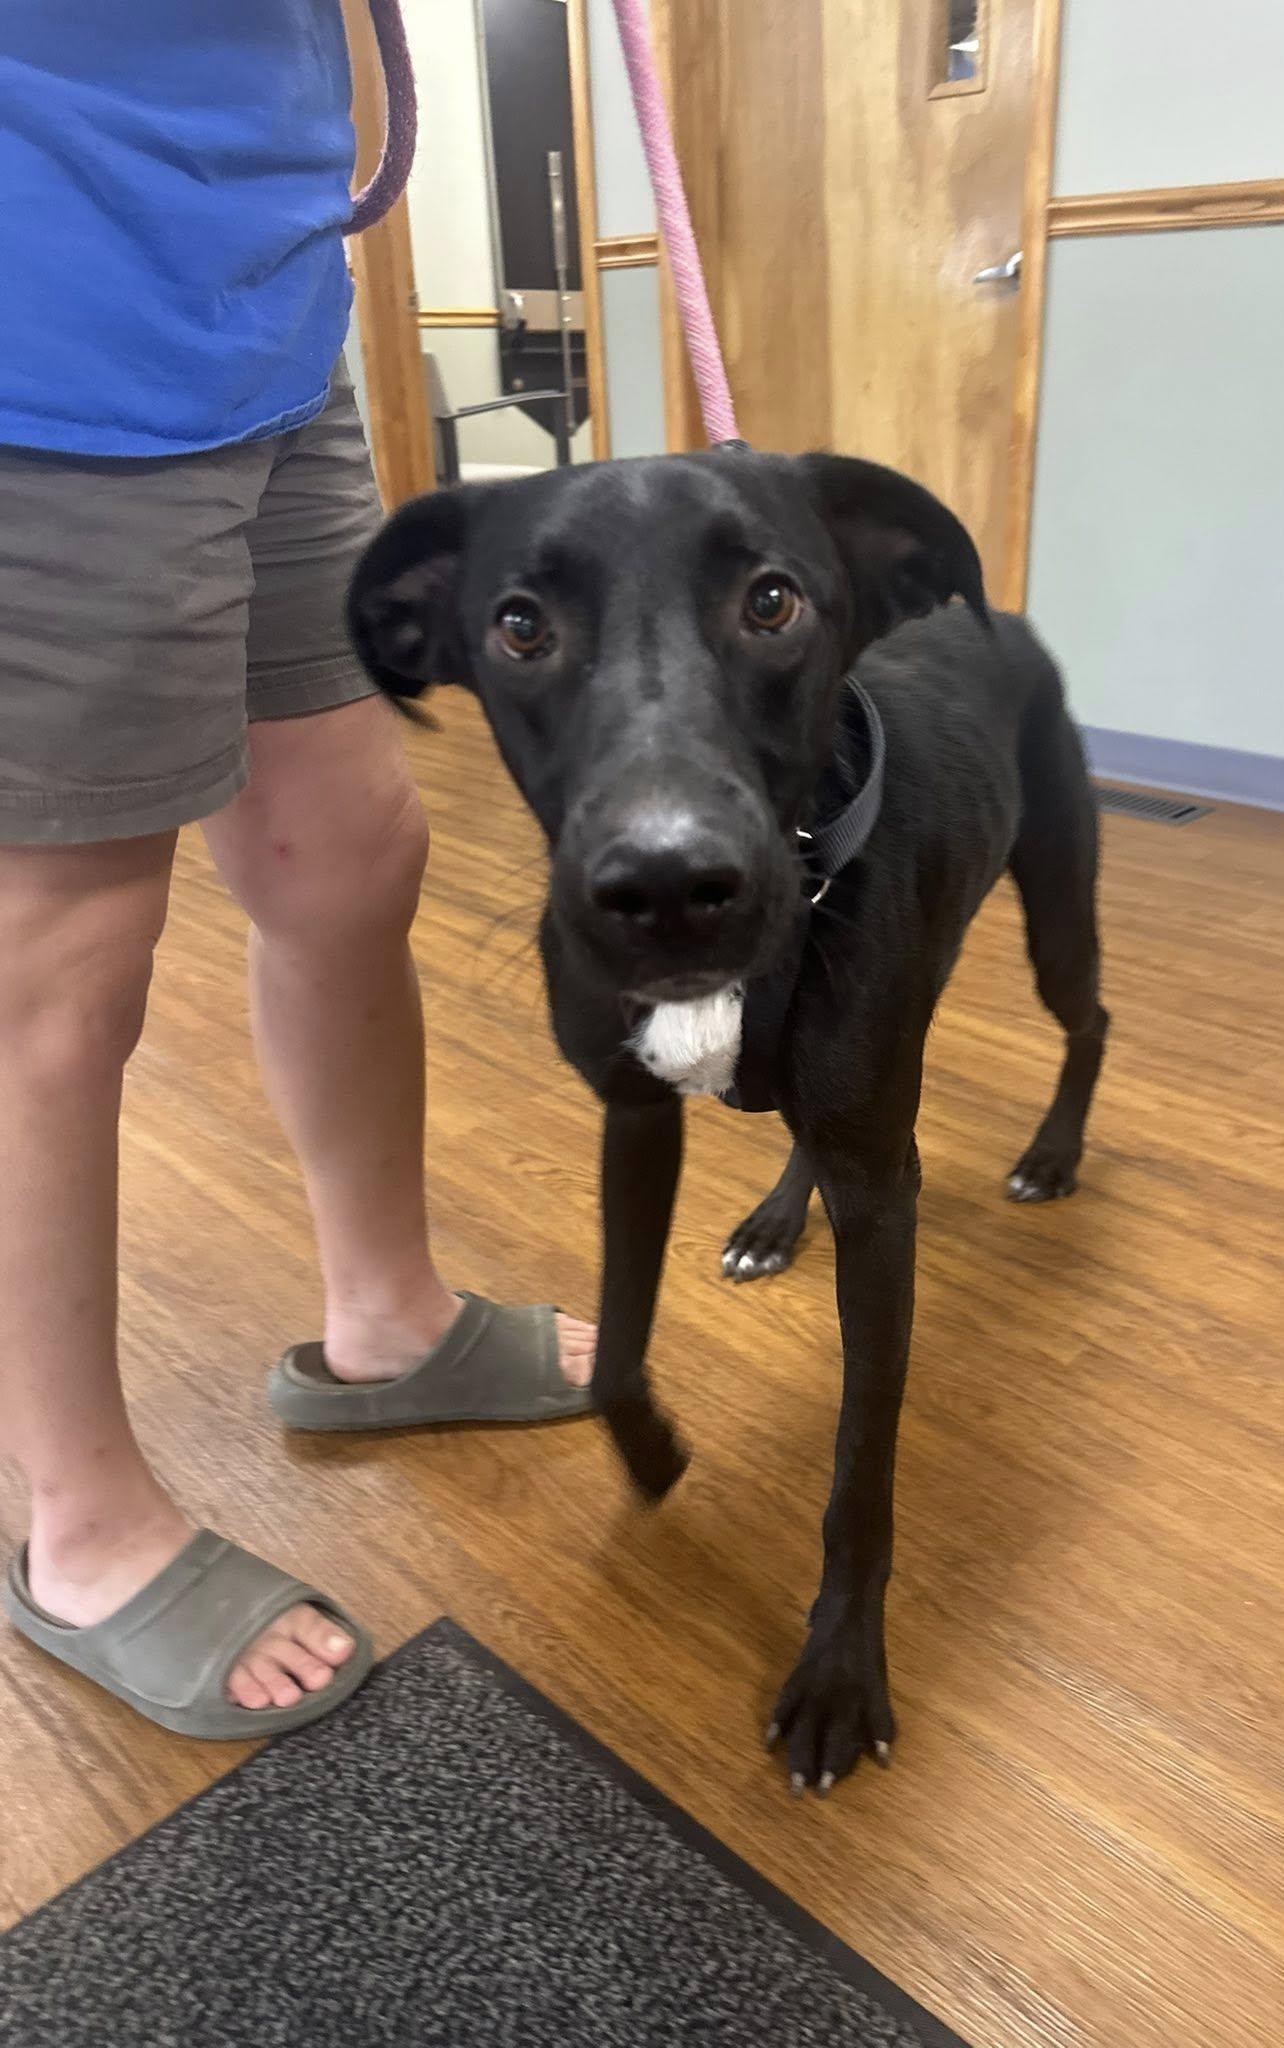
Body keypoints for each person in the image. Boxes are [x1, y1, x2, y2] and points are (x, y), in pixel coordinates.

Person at [0, 3, 595, 1739]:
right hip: (46, 326)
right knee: (62, 959)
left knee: (348, 849)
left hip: (260, 307)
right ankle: (79, 1525)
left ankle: (388, 1321)